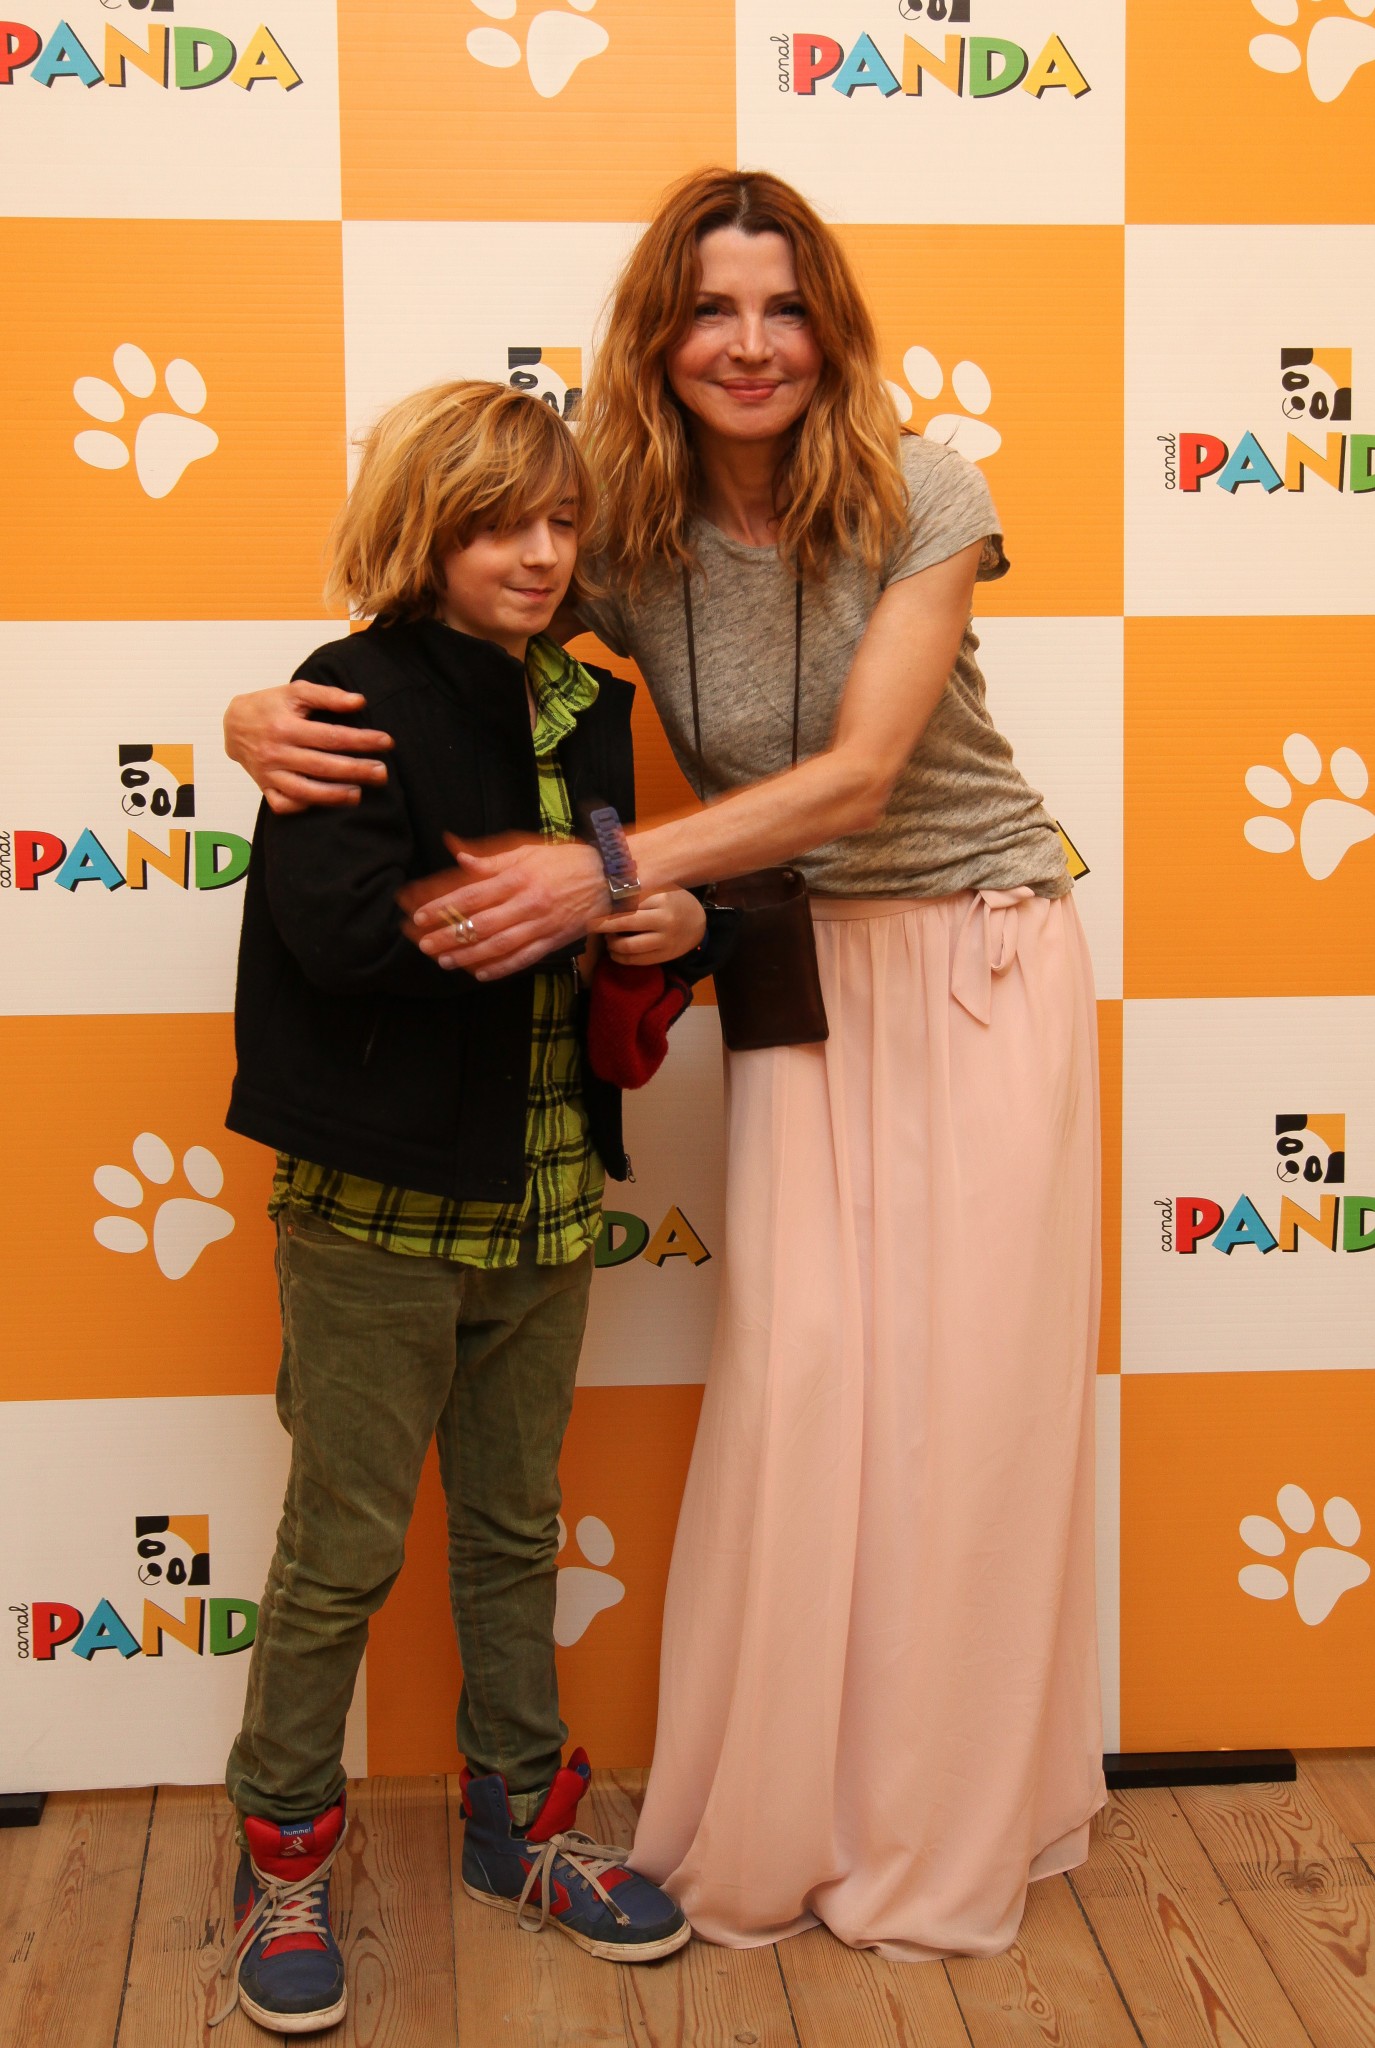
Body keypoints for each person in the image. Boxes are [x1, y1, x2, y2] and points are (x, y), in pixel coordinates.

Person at [223, 170, 1105, 1964]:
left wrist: (608, 875)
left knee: (967, 1418)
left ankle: (933, 1820)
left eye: (786, 308)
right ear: (657, 335)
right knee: (806, 1391)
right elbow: (435, 622)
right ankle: (776, 1808)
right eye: (712, 307)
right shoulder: (614, 534)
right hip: (790, 965)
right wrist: (255, 714)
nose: (752, 344)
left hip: (975, 948)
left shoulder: (926, 490)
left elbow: (860, 780)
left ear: (832, 330)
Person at [215, 381, 711, 2036]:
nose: (540, 553)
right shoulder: (346, 692)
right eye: (500, 524)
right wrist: (555, 901)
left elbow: (634, 883)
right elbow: (341, 934)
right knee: (340, 1548)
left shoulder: (591, 702)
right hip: (373, 1209)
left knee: (513, 1532)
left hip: (548, 1197)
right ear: (426, 531)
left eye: (563, 522)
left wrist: (667, 922)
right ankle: (283, 1849)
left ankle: (524, 1828)